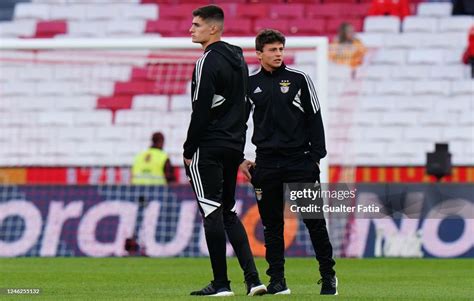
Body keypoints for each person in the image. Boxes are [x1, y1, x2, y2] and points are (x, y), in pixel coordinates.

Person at [239, 29, 338, 295]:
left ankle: (328, 276)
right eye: (272, 50)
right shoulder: (249, 85)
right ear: (259, 54)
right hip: (267, 163)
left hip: (299, 161)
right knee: (271, 226)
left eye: (281, 49)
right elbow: (239, 124)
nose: (278, 54)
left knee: (314, 221)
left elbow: (315, 118)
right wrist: (240, 158)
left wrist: (315, 158)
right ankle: (278, 281)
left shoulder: (299, 80)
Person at [183, 5, 266, 297]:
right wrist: (238, 146)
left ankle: (221, 284)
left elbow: (201, 109)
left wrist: (188, 147)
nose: (191, 29)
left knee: (211, 212)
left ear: (213, 28)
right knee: (228, 212)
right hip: (233, 145)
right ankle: (254, 280)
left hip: (209, 146)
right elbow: (245, 106)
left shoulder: (207, 61)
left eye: (196, 25)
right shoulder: (240, 60)